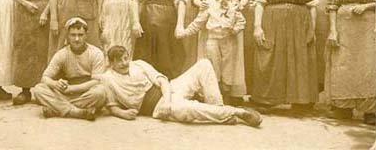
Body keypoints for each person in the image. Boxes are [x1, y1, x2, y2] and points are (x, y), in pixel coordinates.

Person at [100, 46, 262, 127]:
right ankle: (237, 112)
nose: (124, 63)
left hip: (170, 90)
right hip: (157, 107)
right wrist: (124, 113)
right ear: (111, 62)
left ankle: (218, 109)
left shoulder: (139, 64)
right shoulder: (108, 78)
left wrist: (168, 100)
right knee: (190, 109)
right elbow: (112, 106)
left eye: (125, 58)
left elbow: (162, 81)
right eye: (118, 60)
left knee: (204, 64)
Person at [253, 0, 318, 110]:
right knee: (270, 58)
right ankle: (266, 100)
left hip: (298, 25)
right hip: (272, 24)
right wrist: (257, 27)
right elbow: (260, 3)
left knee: (299, 60)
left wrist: (312, 29)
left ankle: (300, 102)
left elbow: (312, 6)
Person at [177, 0, 246, 104]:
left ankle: (226, 96)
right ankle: (214, 96)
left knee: (228, 67)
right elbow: (198, 22)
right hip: (213, 40)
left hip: (228, 39)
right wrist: (184, 32)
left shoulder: (234, 2)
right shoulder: (208, 2)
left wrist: (235, 30)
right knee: (213, 66)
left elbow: (241, 21)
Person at [325, 0, 375, 124]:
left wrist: (367, 6)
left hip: (367, 24)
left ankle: (370, 111)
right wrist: (333, 31)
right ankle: (343, 108)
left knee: (367, 67)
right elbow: (332, 4)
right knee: (343, 64)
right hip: (343, 23)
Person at [32, 17, 107, 120]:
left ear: (86, 36)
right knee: (39, 89)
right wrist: (55, 84)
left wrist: (72, 89)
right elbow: (45, 77)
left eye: (80, 35)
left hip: (86, 92)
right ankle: (77, 112)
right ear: (67, 36)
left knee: (100, 93)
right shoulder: (62, 54)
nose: (77, 39)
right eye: (73, 35)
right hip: (66, 93)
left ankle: (57, 109)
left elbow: (96, 81)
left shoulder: (96, 53)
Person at [9, 0, 52, 105]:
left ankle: (44, 90)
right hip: (24, 13)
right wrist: (26, 4)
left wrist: (45, 13)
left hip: (43, 13)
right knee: (24, 50)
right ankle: (24, 90)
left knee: (43, 49)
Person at [237, 0, 276, 93]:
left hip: (265, 11)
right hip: (246, 11)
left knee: (264, 47)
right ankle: (247, 87)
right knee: (247, 48)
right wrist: (245, 0)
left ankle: (263, 89)